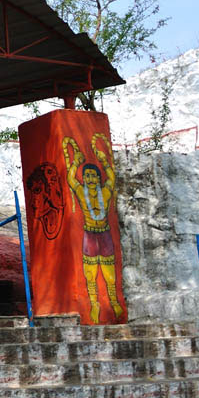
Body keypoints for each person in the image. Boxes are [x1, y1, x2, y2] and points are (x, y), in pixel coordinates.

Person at [62, 132, 124, 323]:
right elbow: (71, 180)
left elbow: (112, 179)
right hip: (89, 234)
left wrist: (105, 161)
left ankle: (113, 301)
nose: (89, 178)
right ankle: (95, 304)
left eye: (92, 175)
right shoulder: (81, 192)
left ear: (98, 178)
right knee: (90, 274)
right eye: (87, 175)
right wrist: (74, 163)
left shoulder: (105, 192)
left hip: (104, 234)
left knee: (109, 275)